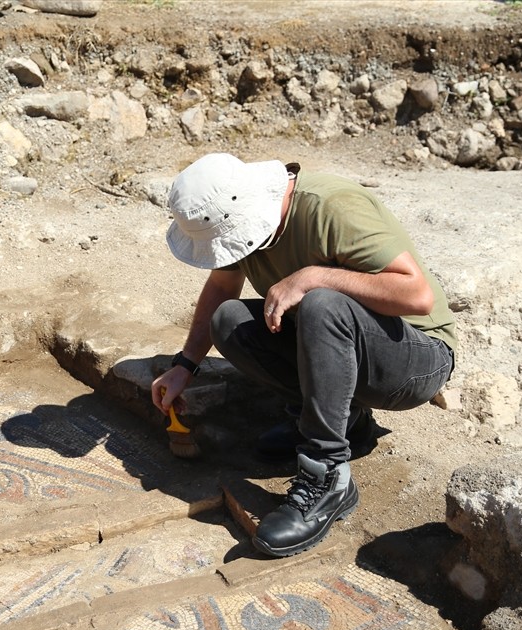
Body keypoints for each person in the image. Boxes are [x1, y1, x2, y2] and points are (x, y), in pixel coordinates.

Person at [151, 154, 456, 558]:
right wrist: (185, 365)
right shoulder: (242, 218)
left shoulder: (332, 209)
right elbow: (223, 289)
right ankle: (347, 423)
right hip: (350, 348)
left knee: (321, 304)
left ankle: (327, 476)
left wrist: (314, 276)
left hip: (414, 357)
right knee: (229, 320)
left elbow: (416, 296)